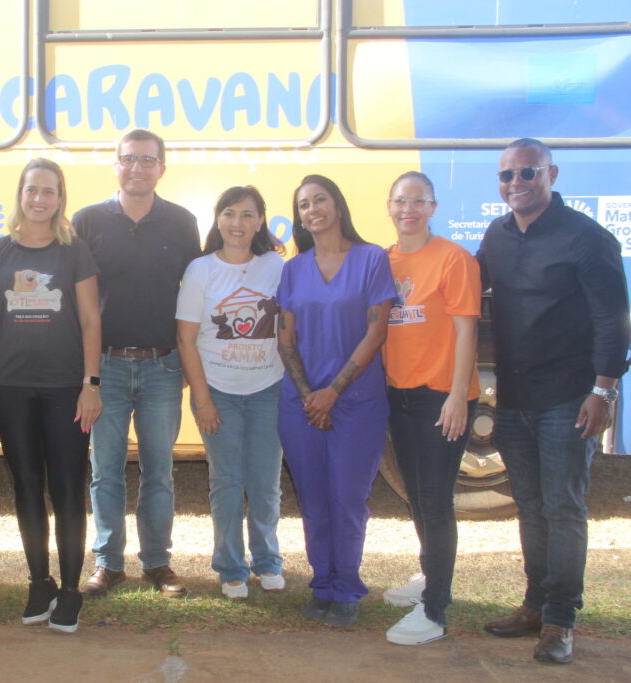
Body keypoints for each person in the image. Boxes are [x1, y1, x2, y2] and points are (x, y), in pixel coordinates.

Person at [477, 139, 629, 664]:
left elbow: (614, 319)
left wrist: (603, 390)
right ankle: (534, 605)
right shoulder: (495, 237)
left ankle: (561, 620)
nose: (515, 184)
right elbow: (463, 293)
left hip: (569, 397)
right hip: (514, 398)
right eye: (506, 176)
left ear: (551, 174)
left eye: (526, 173)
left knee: (564, 507)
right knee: (532, 506)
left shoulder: (587, 238)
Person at [0, 158, 101, 633]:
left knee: (67, 489)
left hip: (68, 388)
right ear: (20, 195)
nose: (40, 199)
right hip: (11, 388)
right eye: (32, 190)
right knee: (26, 487)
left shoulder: (75, 253)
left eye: (49, 191)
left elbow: (91, 321)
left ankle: (70, 591)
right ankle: (39, 582)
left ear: (59, 198)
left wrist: (92, 385)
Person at [73, 129, 201, 599]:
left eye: (148, 160)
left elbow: (197, 294)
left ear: (161, 168)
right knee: (105, 471)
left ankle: (158, 564)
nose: (138, 168)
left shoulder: (182, 222)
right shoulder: (86, 221)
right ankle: (108, 565)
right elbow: (76, 302)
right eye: (129, 159)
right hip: (104, 368)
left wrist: (192, 364)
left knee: (158, 471)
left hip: (162, 368)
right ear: (116, 165)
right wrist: (84, 375)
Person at [276, 174, 395, 627]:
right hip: (301, 405)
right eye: (303, 204)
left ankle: (346, 588)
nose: (312, 210)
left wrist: (333, 393)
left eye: (319, 200)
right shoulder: (293, 269)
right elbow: (285, 340)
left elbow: (376, 332)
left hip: (356, 402)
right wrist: (311, 397)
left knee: (347, 497)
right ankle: (322, 582)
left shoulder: (370, 260)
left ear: (337, 205)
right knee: (314, 498)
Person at [380, 171, 481, 645]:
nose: (409, 209)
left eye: (419, 201)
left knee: (436, 501)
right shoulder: (386, 261)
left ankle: (435, 610)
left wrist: (458, 397)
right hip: (399, 396)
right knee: (417, 496)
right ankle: (429, 577)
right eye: (401, 201)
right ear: (390, 206)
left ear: (433, 208)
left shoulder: (454, 259)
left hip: (441, 397)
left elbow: (466, 332)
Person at [175, 186, 286, 600]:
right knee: (226, 481)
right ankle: (231, 567)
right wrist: (203, 400)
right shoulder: (201, 269)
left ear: (260, 221)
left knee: (265, 482)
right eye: (229, 214)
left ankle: (268, 561)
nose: (237, 223)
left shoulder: (276, 267)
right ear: (217, 218)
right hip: (217, 391)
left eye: (248, 215)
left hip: (267, 390)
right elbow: (186, 340)